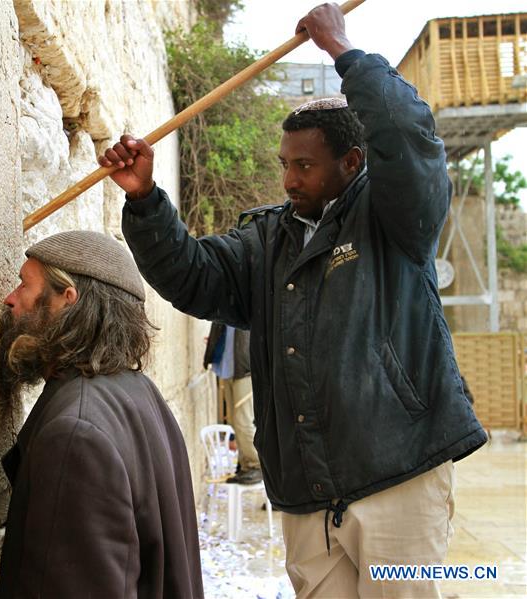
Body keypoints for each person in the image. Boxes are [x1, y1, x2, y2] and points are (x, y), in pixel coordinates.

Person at [98, 4, 487, 596]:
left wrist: (344, 51)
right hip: (307, 497)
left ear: (351, 162)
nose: (288, 180)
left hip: (398, 481)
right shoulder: (265, 238)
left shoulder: (394, 217)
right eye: (285, 165)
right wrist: (146, 198)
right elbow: (192, 276)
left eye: (304, 166)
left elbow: (409, 137)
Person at [0, 230, 203, 599]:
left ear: (66, 299)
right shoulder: (140, 393)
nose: (9, 299)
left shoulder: (75, 433)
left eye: (23, 285)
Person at [203, 323, 262, 484]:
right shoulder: (224, 302)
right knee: (233, 421)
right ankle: (245, 465)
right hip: (227, 367)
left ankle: (256, 466)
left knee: (243, 421)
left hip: (246, 369)